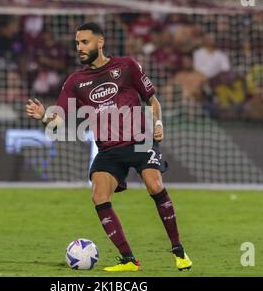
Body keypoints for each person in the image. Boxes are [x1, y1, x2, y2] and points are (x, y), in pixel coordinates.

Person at [26, 22, 192, 272]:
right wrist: (43, 115)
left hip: (140, 140)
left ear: (100, 42)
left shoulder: (126, 66)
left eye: (85, 42)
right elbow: (59, 119)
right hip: (109, 150)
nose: (80, 48)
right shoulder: (75, 81)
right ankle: (128, 260)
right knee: (98, 196)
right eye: (77, 43)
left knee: (154, 184)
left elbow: (152, 101)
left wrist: (157, 122)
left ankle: (179, 250)